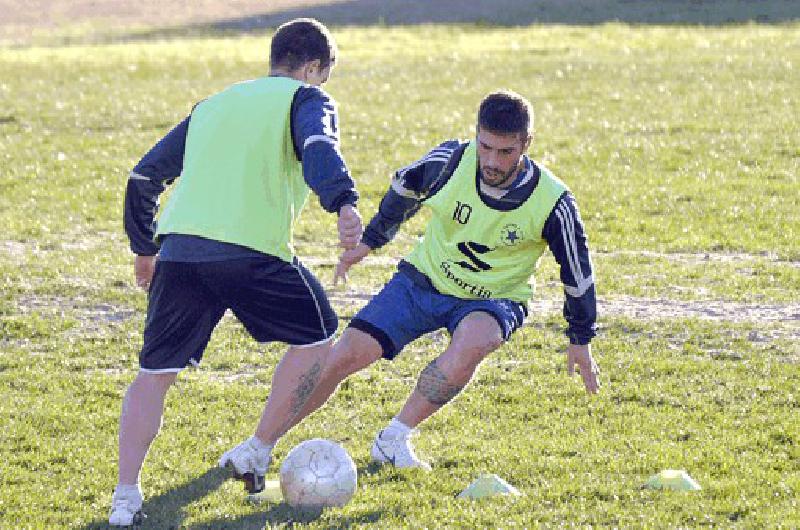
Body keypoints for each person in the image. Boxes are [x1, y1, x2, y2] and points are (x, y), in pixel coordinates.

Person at [223, 89, 600, 477]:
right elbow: (404, 190)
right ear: (476, 135)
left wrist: (580, 339)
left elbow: (577, 271)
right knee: (345, 355)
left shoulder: (553, 201)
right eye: (485, 147)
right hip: (422, 281)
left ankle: (394, 439)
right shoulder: (449, 161)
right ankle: (258, 447)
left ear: (526, 144)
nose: (491, 161)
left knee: (478, 339)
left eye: (505, 152)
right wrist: (369, 242)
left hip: (494, 298)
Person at [110, 18, 362, 526]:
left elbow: (143, 177)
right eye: (325, 75)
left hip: (179, 252)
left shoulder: (213, 105)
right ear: (313, 67)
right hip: (252, 252)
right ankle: (256, 448)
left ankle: (125, 497)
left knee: (153, 375)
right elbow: (318, 149)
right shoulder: (307, 99)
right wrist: (344, 204)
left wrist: (144, 247)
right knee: (318, 338)